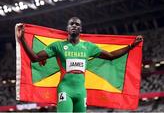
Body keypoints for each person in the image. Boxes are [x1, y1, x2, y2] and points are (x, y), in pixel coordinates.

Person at [15, 17, 143, 112]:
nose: (74, 25)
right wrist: (22, 40)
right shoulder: (58, 46)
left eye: (77, 24)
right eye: (72, 24)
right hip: (65, 90)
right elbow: (35, 58)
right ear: (68, 28)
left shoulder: (88, 47)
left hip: (81, 91)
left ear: (80, 29)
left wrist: (131, 46)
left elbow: (110, 56)